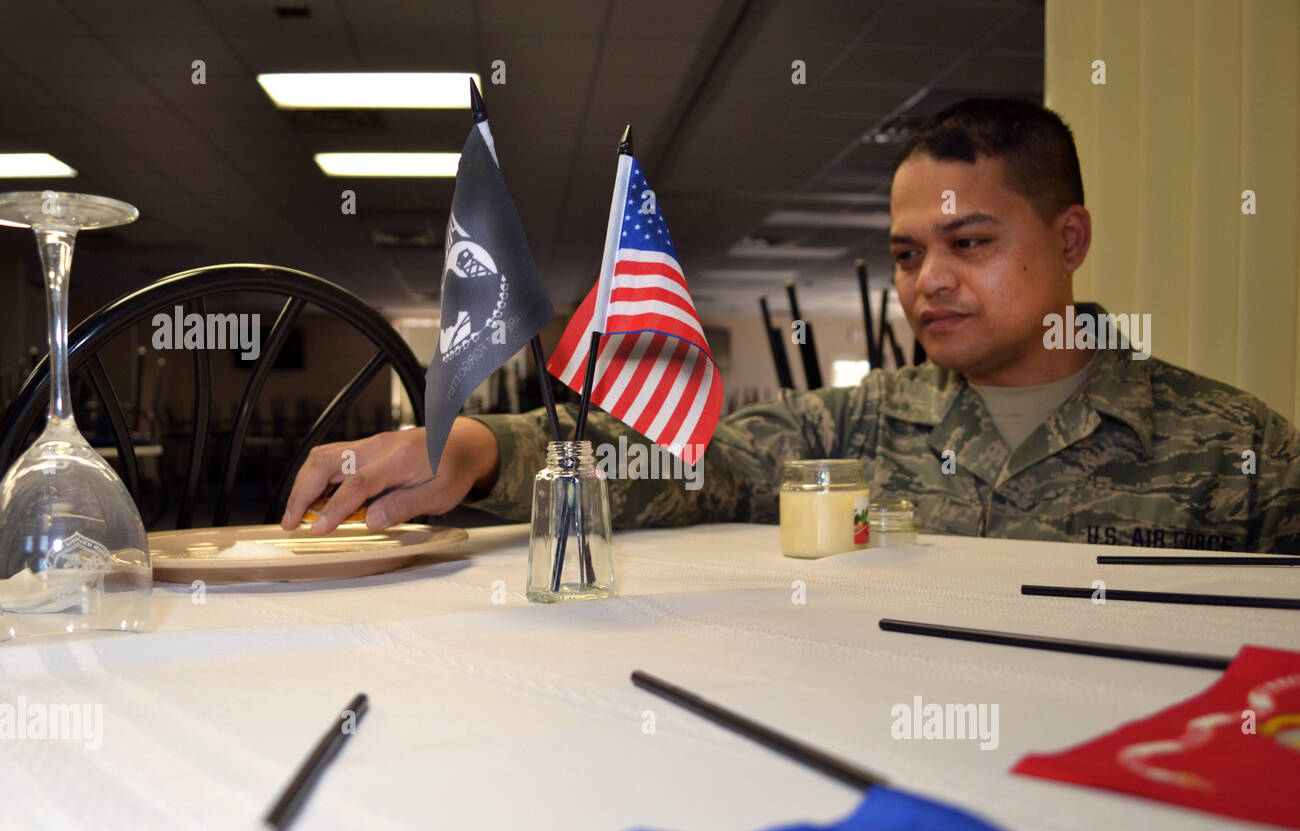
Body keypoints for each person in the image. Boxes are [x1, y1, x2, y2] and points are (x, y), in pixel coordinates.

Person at [283, 98, 1300, 554]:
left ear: (1068, 237)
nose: (927, 282)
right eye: (905, 254)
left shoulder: (1238, 452)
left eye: (970, 243)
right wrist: (472, 446)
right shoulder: (855, 429)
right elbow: (684, 463)